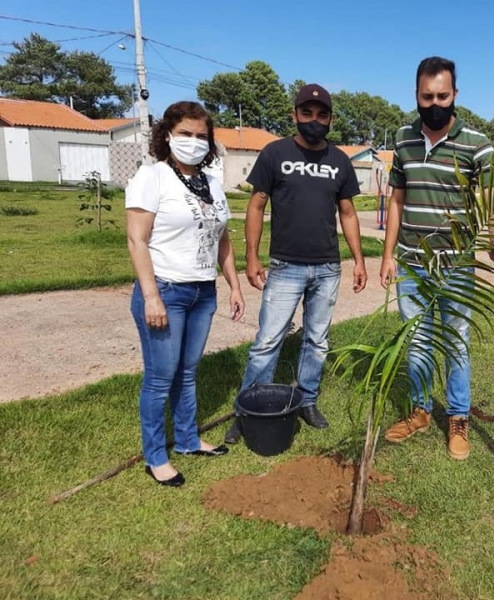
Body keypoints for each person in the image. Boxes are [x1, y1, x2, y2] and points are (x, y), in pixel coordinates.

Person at [379, 57, 494, 460]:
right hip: (412, 265)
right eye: (426, 96)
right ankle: (418, 412)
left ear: (455, 95)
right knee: (416, 343)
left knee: (455, 345)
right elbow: (397, 200)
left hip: (456, 266)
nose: (434, 103)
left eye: (442, 96)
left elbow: (492, 202)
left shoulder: (477, 144)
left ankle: (458, 419)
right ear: (416, 96)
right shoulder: (402, 139)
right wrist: (388, 255)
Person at [224, 83, 366, 442]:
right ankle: (247, 410)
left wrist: (359, 260)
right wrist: (251, 256)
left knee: (317, 341)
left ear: (331, 119)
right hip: (285, 266)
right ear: (295, 115)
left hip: (327, 267)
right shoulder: (275, 154)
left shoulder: (339, 161)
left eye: (321, 115)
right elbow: (256, 205)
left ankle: (307, 401)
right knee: (268, 340)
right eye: (307, 113)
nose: (314, 121)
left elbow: (348, 213)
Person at [126, 101, 245, 487]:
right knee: (161, 376)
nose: (193, 142)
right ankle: (156, 455)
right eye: (185, 134)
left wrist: (233, 284)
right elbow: (137, 239)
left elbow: (221, 237)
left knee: (187, 372)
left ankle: (189, 439)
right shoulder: (152, 177)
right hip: (166, 289)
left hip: (202, 292)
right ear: (166, 135)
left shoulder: (211, 181)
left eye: (201, 136)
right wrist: (151, 296)